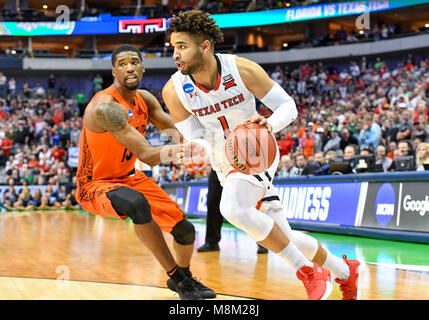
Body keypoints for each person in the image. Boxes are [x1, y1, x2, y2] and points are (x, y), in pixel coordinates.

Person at [162, 10, 361, 300]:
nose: (175, 55)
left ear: (205, 46)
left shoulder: (241, 69)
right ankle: (345, 271)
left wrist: (270, 123)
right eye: (173, 48)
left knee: (230, 208)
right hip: (222, 162)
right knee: (283, 238)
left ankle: (307, 271)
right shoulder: (174, 90)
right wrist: (197, 148)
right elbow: (194, 136)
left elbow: (287, 107)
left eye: (182, 47)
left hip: (256, 152)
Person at [75, 44, 213, 300]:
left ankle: (184, 277)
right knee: (137, 204)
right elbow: (148, 155)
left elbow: (178, 130)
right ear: (114, 70)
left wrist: (209, 140)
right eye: (123, 63)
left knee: (185, 231)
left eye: (135, 62)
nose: (130, 67)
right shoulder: (105, 107)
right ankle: (180, 281)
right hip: (95, 184)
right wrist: (183, 151)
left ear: (142, 67)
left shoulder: (145, 99)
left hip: (130, 178)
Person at [197, 169, 268, 254]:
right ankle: (212, 242)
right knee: (212, 202)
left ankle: (262, 241)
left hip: (241, 164)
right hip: (219, 168)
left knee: (251, 201)